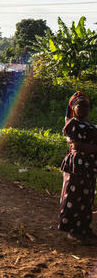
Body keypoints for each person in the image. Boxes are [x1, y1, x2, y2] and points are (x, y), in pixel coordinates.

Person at [58, 91, 97, 244]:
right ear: (73, 108)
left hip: (89, 167)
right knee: (73, 197)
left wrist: (89, 148)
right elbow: (76, 145)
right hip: (76, 165)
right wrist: (92, 148)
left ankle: (85, 230)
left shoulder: (92, 127)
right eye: (80, 106)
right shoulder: (72, 124)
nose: (84, 109)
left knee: (86, 199)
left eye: (87, 106)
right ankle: (72, 231)